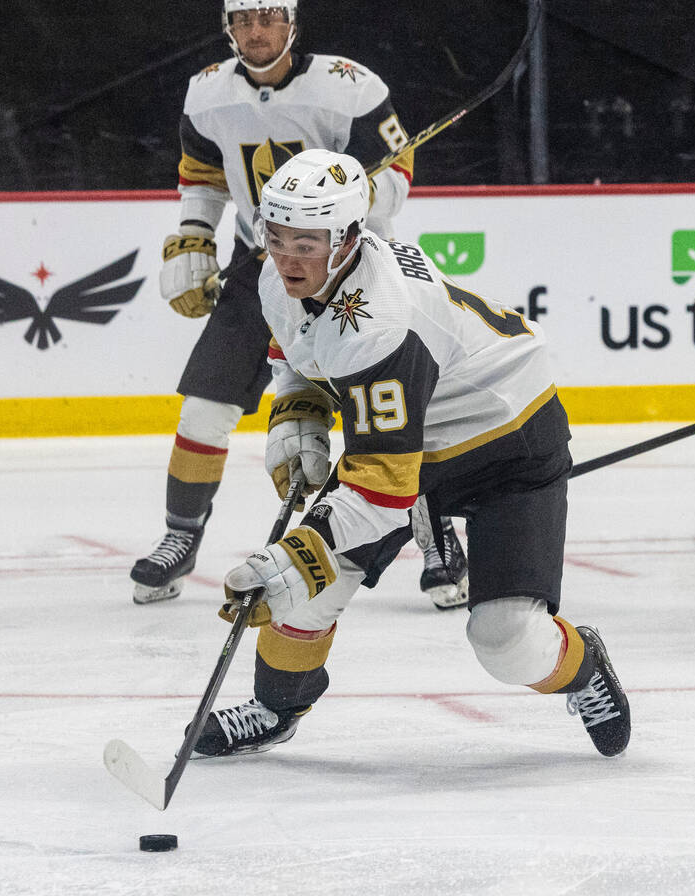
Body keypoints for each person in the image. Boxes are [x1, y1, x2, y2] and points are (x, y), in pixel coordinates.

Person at [190, 149, 631, 758]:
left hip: (507, 447)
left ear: (347, 239)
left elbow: (381, 491)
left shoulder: (380, 321)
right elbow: (293, 348)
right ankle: (276, 706)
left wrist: (292, 559)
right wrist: (299, 414)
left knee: (505, 641)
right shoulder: (281, 274)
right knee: (313, 592)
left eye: (308, 243)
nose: (288, 257)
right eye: (277, 236)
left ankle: (583, 667)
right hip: (411, 441)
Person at [130, 0, 468, 610]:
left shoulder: (351, 87)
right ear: (227, 28)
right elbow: (202, 176)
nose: (256, 32)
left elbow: (396, 178)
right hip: (262, 265)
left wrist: (358, 188)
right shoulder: (206, 96)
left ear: (292, 23)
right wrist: (193, 236)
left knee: (402, 414)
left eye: (269, 19)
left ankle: (437, 530)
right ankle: (180, 535)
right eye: (243, 20)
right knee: (203, 411)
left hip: (351, 271)